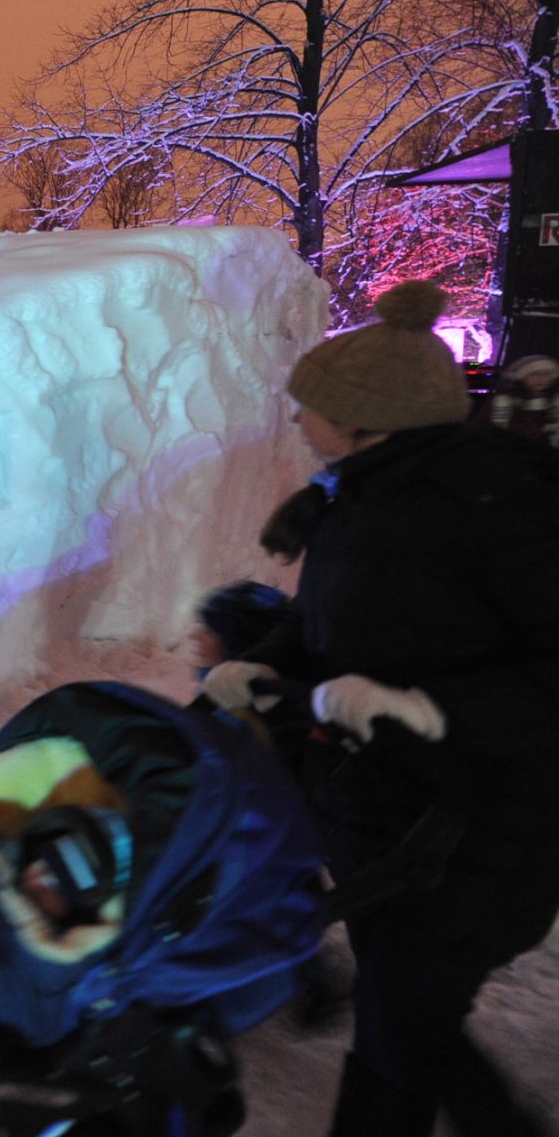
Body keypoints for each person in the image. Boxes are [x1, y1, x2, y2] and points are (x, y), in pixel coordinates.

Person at [202, 280, 559, 1137]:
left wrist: (426, 707)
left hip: (477, 825)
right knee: (406, 1012)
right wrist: (260, 664)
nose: (297, 422)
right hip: (390, 812)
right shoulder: (365, 493)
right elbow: (325, 618)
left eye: (312, 407)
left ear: (368, 417)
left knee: (401, 1030)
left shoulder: (501, 508)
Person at [487, 353, 559, 445]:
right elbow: (494, 431)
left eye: (546, 374)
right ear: (521, 377)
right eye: (533, 374)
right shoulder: (504, 401)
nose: (541, 379)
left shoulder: (555, 400)